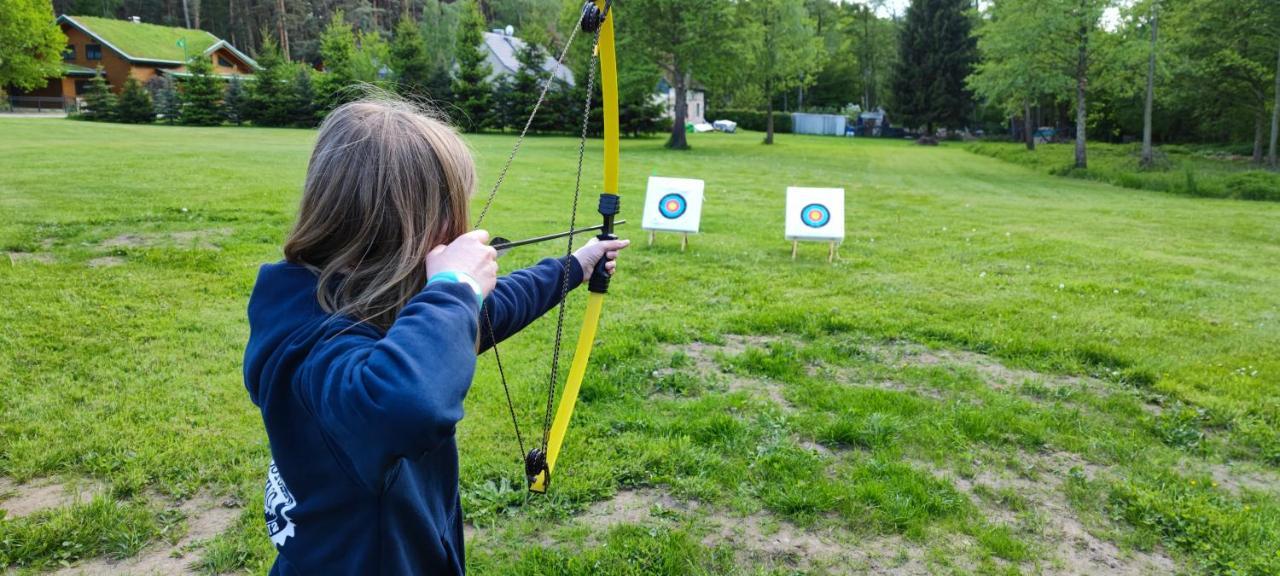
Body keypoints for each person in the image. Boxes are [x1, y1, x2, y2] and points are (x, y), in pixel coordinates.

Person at [243, 97, 629, 575]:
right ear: (411, 226)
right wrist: (454, 287)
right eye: (455, 210)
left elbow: (481, 315)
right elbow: (407, 401)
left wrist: (574, 266)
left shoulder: (329, 295)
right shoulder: (317, 344)